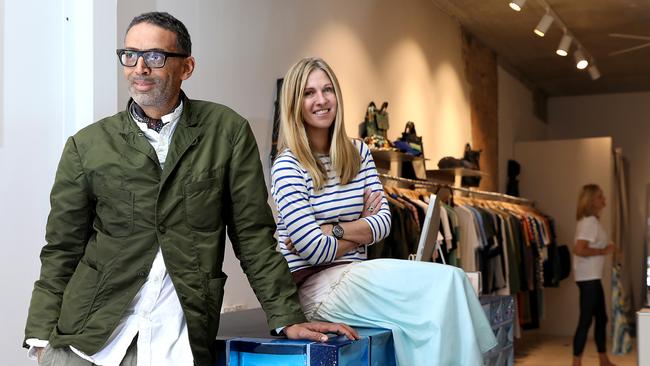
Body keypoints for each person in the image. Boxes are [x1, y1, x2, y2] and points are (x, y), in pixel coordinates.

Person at [23, 12, 356, 366]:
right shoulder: (87, 145)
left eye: (155, 56)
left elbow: (253, 235)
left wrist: (287, 316)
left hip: (177, 336)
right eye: (130, 55)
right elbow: (62, 248)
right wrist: (41, 337)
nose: (139, 68)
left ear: (187, 67)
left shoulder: (227, 132)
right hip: (87, 339)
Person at [270, 57, 497, 365]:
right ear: (295, 103)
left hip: (357, 275)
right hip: (315, 287)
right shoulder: (288, 165)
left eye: (327, 90)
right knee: (442, 289)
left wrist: (332, 230)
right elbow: (314, 251)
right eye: (309, 93)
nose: (321, 100)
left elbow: (383, 223)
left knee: (453, 280)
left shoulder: (359, 153)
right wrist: (360, 229)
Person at [572, 184, 617, 366]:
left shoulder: (592, 221)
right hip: (588, 278)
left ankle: (603, 359)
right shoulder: (589, 222)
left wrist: (608, 249)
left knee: (601, 318)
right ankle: (576, 363)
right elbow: (579, 249)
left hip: (592, 277)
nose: (604, 200)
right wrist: (605, 251)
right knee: (586, 320)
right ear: (591, 201)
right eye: (600, 197)